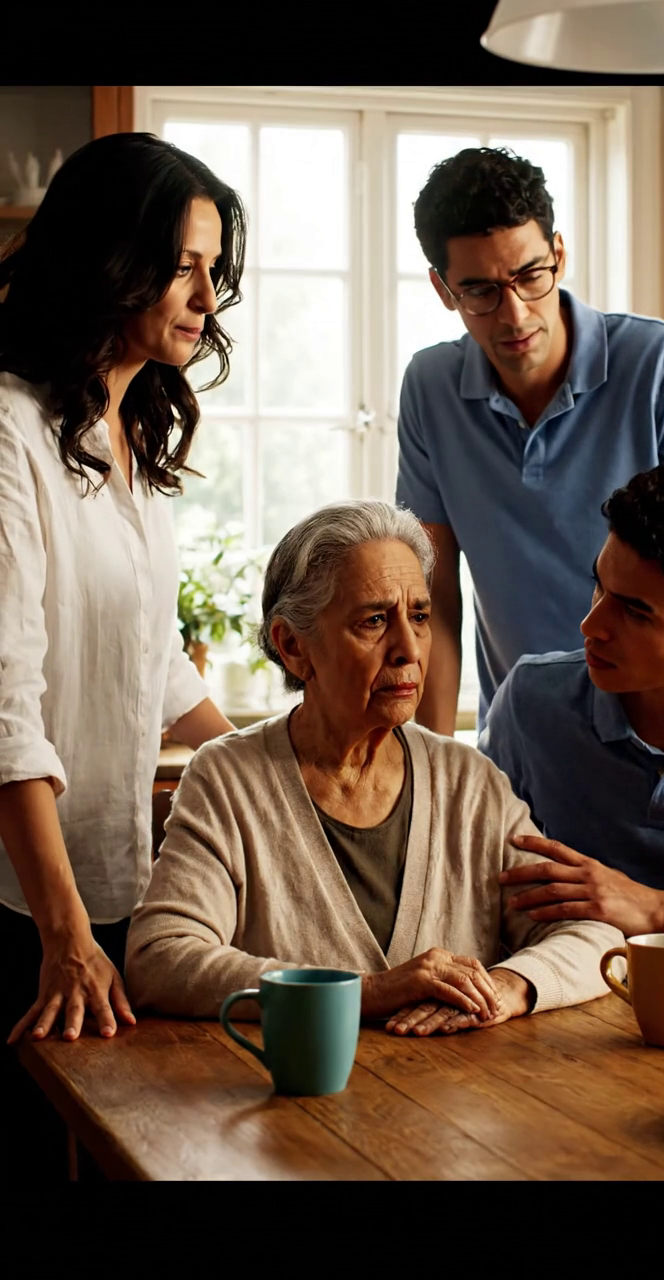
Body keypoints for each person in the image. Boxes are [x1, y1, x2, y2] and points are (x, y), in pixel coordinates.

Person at [125, 500, 622, 1036]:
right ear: (293, 647)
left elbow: (593, 934)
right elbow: (160, 959)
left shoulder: (468, 782)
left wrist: (513, 985)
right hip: (289, 1106)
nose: (408, 649)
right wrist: (366, 993)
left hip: (451, 1109)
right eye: (375, 621)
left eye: (420, 617)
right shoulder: (227, 779)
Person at [0, 132, 246, 1175]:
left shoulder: (128, 441)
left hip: (113, 888)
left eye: (215, 270)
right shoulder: (8, 429)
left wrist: (271, 770)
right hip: (22, 905)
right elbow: (4, 703)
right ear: (109, 258)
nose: (206, 296)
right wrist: (61, 928)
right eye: (184, 265)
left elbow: (155, 669)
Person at [395, 146, 664, 736]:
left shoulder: (661, 365)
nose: (514, 315)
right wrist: (430, 769)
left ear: (559, 254)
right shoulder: (430, 388)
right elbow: (433, 598)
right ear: (445, 290)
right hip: (521, 743)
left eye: (529, 275)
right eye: (480, 290)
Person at [480, 456, 664, 939]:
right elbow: (475, 888)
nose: (591, 626)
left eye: (635, 612)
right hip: (561, 997)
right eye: (599, 586)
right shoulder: (532, 704)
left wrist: (655, 910)